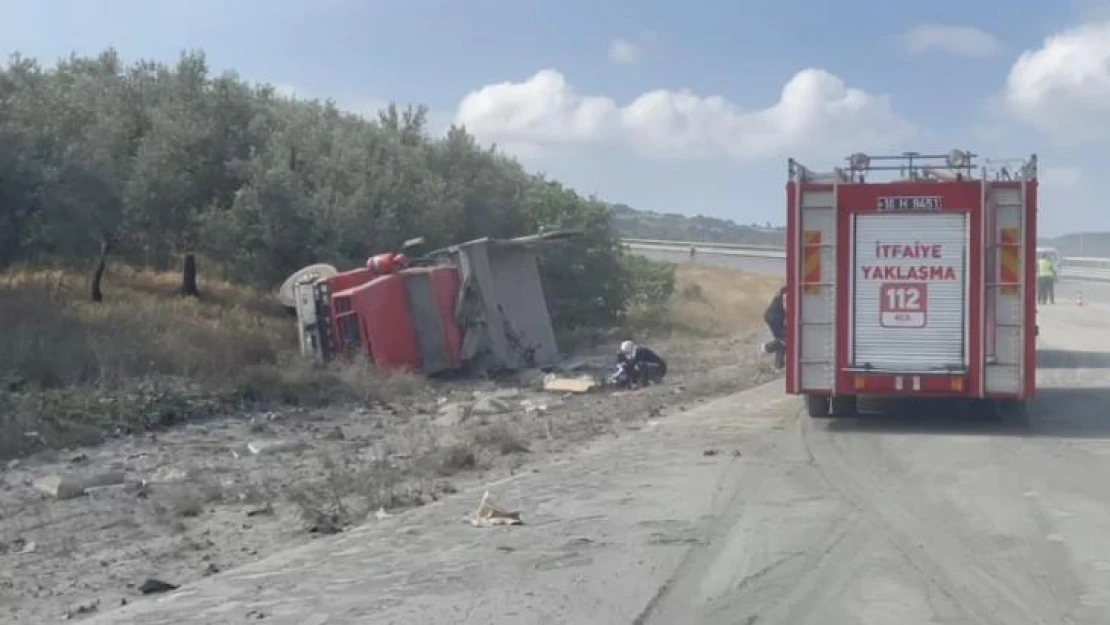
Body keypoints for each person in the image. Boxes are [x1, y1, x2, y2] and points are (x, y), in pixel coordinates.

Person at [761, 286, 788, 369]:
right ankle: (767, 347)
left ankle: (778, 365)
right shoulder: (786, 295)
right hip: (774, 318)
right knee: (785, 338)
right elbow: (786, 308)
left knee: (782, 340)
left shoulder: (781, 295)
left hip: (773, 317)